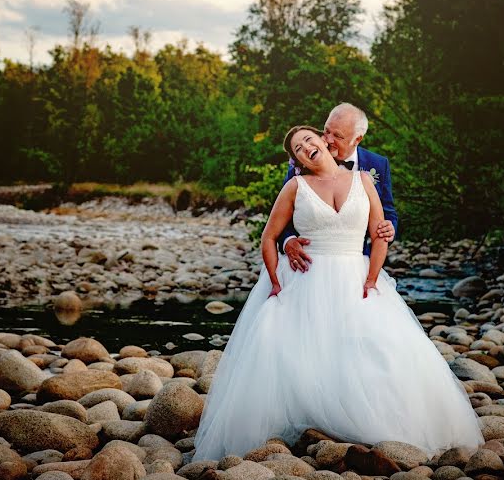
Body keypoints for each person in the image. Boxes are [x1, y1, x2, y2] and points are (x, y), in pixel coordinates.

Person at [193, 125, 483, 461]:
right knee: (299, 349)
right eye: (298, 148)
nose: (305, 147)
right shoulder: (294, 186)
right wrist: (275, 281)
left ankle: (381, 422)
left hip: (355, 273)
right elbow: (269, 236)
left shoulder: (364, 179)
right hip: (307, 277)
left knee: (377, 347)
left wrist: (373, 278)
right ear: (296, 159)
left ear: (324, 141)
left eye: (309, 140)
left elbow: (380, 231)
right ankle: (307, 422)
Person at [280, 103, 397, 274]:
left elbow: (388, 212)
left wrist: (389, 229)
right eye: (326, 131)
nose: (327, 139)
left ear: (357, 139)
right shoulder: (301, 166)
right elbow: (280, 217)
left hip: (357, 264)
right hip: (308, 266)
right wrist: (288, 241)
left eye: (337, 136)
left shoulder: (378, 164)